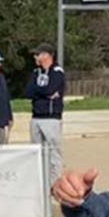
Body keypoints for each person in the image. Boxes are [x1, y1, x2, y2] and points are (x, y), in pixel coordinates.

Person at [25, 43, 66, 182]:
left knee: (54, 152)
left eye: (38, 54)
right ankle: (41, 182)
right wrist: (43, 93)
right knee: (38, 152)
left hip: (51, 118)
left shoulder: (57, 71)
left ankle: (55, 183)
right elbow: (28, 92)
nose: (35, 57)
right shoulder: (36, 72)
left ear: (47, 55)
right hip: (36, 117)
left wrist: (43, 92)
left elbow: (51, 89)